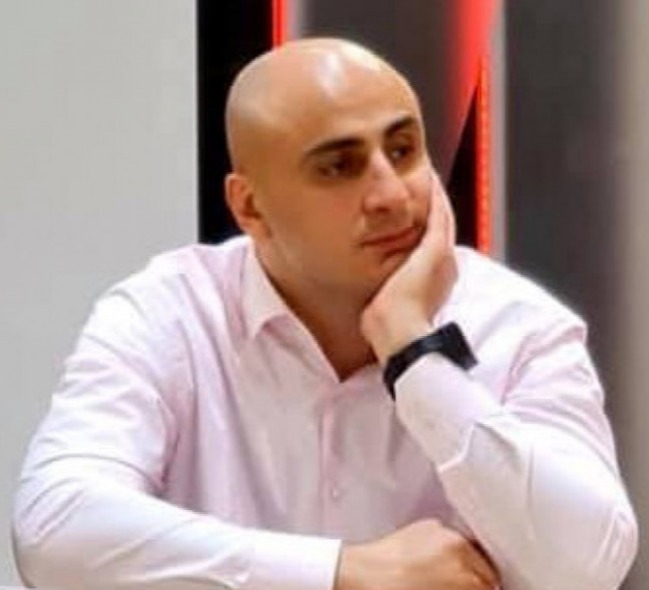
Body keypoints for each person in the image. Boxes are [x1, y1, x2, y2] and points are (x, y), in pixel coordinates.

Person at [13, 38, 637, 590]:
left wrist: (415, 354)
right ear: (250, 207)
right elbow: (54, 529)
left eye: (404, 150)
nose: (391, 195)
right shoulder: (169, 313)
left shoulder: (520, 326)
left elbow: (588, 569)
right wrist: (339, 573)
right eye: (339, 166)